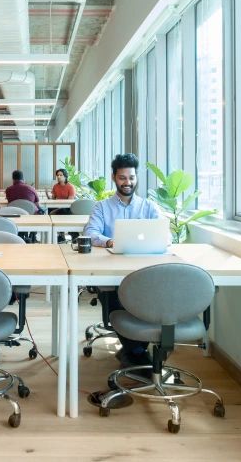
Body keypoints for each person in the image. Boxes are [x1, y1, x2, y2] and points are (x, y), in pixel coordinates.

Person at [83, 153, 161, 368]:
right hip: (111, 273)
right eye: (122, 178)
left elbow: (165, 235)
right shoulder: (102, 207)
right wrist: (109, 242)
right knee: (116, 295)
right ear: (114, 178)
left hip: (144, 271)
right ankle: (137, 352)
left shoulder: (149, 207)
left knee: (151, 297)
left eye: (131, 177)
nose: (128, 182)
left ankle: (134, 352)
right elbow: (90, 233)